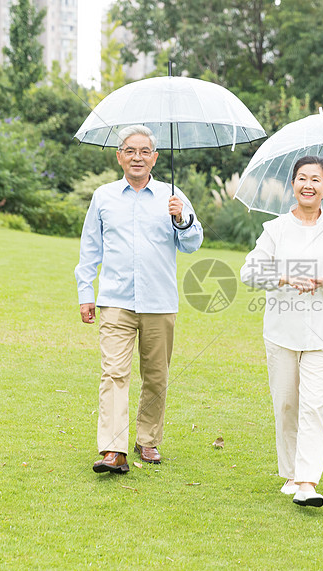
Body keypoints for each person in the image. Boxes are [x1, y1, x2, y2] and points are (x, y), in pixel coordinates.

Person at [75, 125, 203, 474]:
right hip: (115, 300)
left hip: (160, 301)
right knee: (114, 373)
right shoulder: (103, 196)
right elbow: (90, 248)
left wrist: (181, 219)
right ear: (119, 156)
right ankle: (113, 449)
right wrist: (86, 292)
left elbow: (193, 243)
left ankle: (147, 440)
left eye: (144, 151)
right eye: (130, 150)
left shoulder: (172, 196)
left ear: (155, 158)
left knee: (156, 375)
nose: (137, 157)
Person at [240, 156, 323, 507]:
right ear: (292, 184)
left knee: (313, 407)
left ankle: (307, 482)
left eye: (316, 180)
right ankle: (290, 472)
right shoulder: (275, 229)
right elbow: (248, 273)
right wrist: (285, 277)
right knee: (287, 404)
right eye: (302, 178)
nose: (308, 185)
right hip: (281, 333)